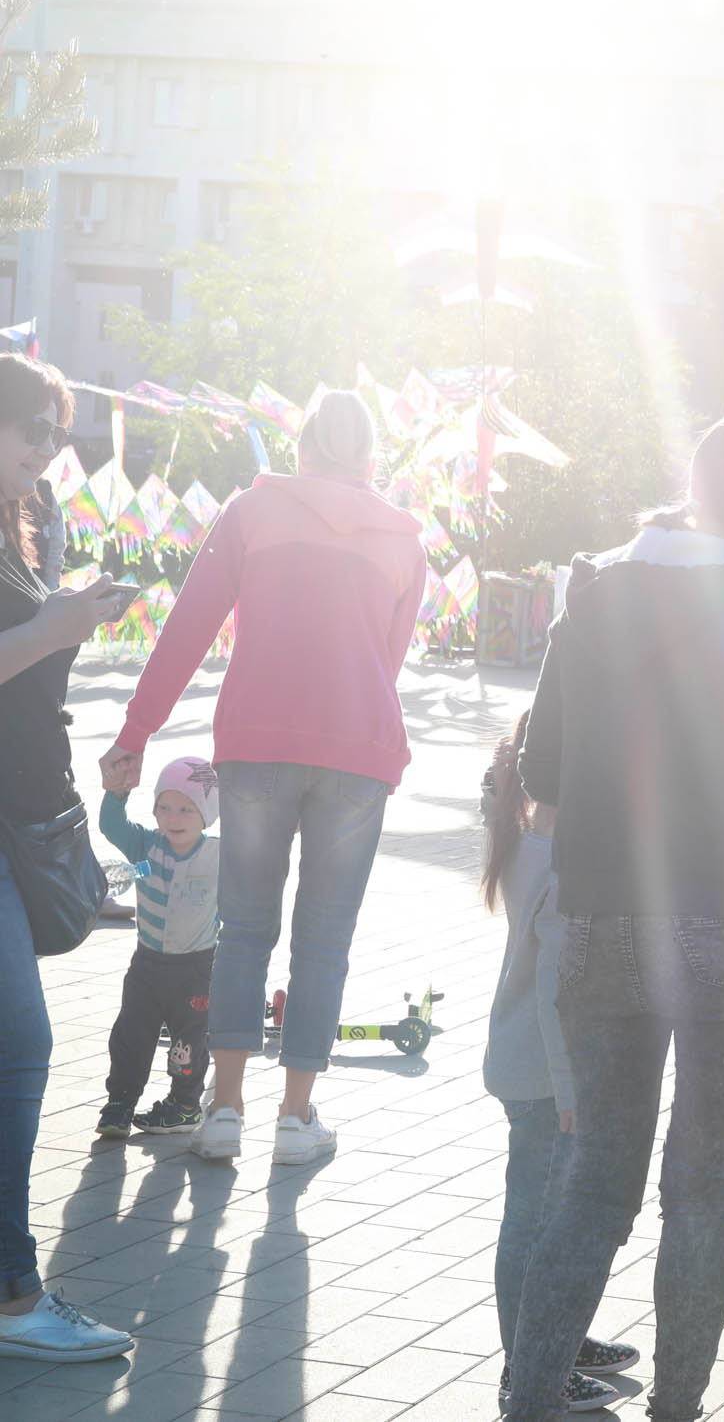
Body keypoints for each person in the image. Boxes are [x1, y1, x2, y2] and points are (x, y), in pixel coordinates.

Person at [505, 407, 724, 1422]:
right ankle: (678, 1407)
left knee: (593, 1182)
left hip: (601, 917)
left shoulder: (594, 593)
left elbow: (539, 771)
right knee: (700, 1191)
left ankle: (527, 1400)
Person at [100, 389, 427, 1166]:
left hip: (255, 745)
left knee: (243, 931)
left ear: (301, 447)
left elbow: (189, 625)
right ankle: (295, 1116)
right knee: (324, 939)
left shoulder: (251, 513)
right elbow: (386, 664)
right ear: (370, 459)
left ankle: (224, 1109)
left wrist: (136, 731)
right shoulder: (404, 542)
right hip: (357, 753)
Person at [0, 352, 136, 1362]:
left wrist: (72, 616)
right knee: (22, 1043)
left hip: (17, 821)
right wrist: (54, 625)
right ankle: (12, 1296)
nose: (51, 450)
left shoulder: (21, 524)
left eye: (60, 433)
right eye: (36, 428)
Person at [479, 714, 635, 1415]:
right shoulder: (559, 860)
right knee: (536, 1224)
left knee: (545, 1217)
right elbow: (552, 988)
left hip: (529, 1063)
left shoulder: (526, 835)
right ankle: (529, 1363)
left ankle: (555, 1340)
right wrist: (572, 1087)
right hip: (547, 1077)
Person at [94, 757, 220, 1139]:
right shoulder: (146, 846)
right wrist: (117, 795)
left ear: (207, 814)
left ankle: (184, 1104)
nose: (172, 818)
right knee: (131, 1033)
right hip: (147, 965)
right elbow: (111, 825)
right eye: (164, 807)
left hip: (196, 968)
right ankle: (120, 1101)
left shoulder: (219, 855)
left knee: (189, 1041)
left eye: (186, 809)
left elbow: (257, 860)